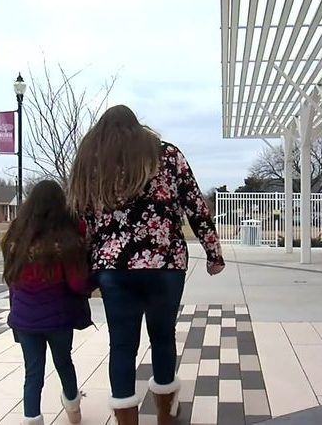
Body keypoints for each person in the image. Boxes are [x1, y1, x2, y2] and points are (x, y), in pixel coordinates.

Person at [68, 105, 225, 424]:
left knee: (122, 345)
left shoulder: (92, 162)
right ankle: (166, 415)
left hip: (113, 267)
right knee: (163, 336)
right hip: (165, 263)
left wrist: (86, 265)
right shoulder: (167, 154)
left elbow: (82, 219)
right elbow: (195, 205)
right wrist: (213, 253)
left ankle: (127, 420)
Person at [1, 180, 93, 425]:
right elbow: (78, 284)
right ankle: (73, 410)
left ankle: (32, 418)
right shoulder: (65, 241)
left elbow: (10, 279)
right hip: (58, 318)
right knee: (64, 362)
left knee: (33, 373)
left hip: (24, 318)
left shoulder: (16, 239)